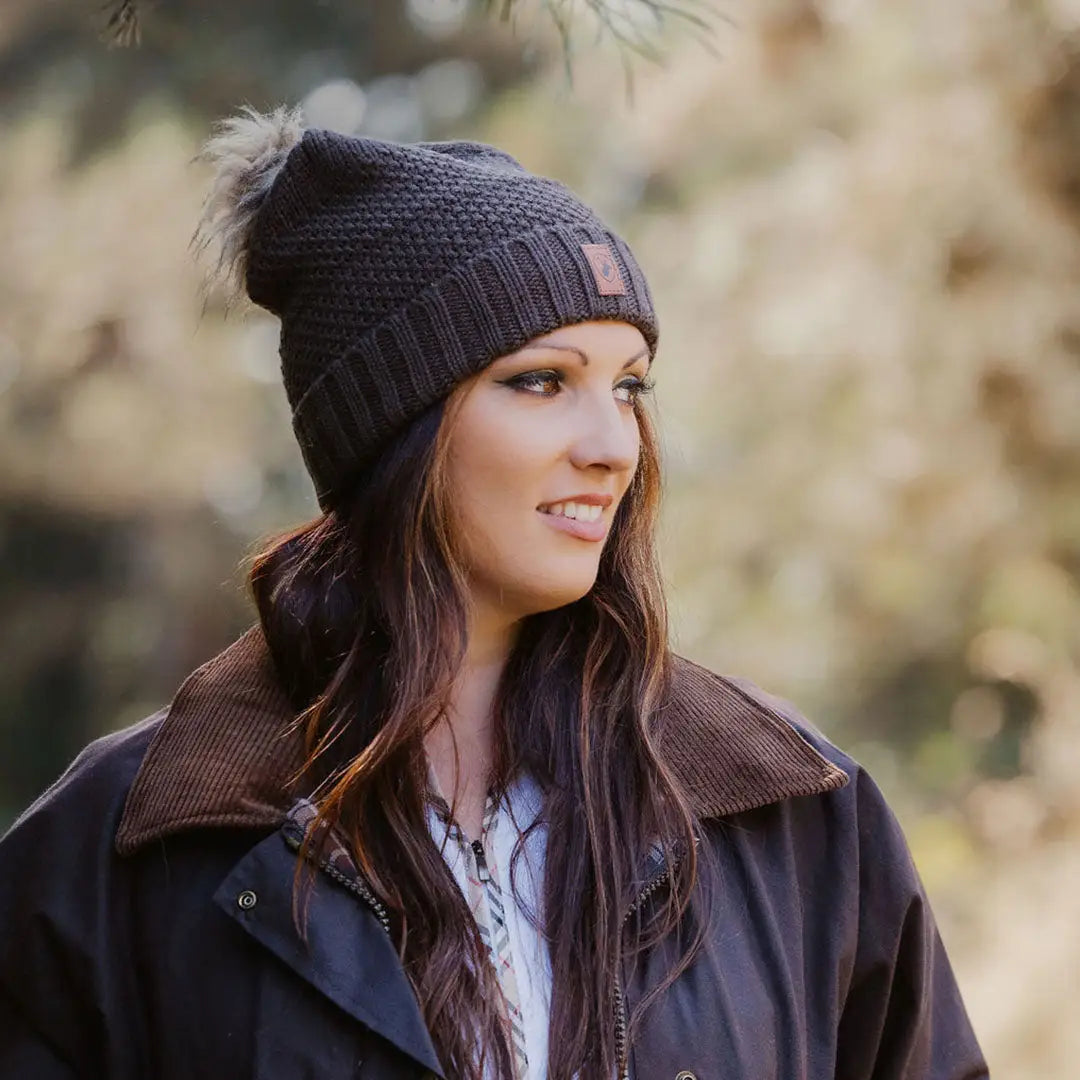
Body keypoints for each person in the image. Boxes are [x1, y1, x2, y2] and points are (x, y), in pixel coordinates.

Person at [0, 104, 988, 1080]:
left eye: (631, 386)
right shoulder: (117, 852)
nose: (613, 447)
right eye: (542, 382)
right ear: (396, 431)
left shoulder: (795, 814)